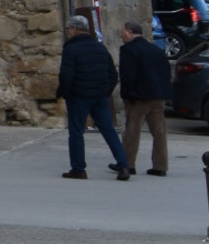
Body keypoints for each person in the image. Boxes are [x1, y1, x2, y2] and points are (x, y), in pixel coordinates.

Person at [51, 11, 131, 181]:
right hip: (99, 96)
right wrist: (105, 90)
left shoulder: (71, 49)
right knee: (108, 130)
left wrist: (64, 92)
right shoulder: (99, 47)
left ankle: (78, 168)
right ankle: (123, 164)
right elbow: (112, 73)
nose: (67, 32)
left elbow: (66, 75)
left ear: (74, 29)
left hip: (79, 96)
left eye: (68, 29)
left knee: (76, 132)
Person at [117, 17, 172, 177]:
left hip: (138, 97)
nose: (121, 36)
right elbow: (166, 72)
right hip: (158, 95)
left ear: (130, 32)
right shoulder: (156, 50)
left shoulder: (128, 50)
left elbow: (127, 75)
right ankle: (160, 165)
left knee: (132, 131)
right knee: (159, 132)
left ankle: (127, 163)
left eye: (122, 33)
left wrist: (127, 95)